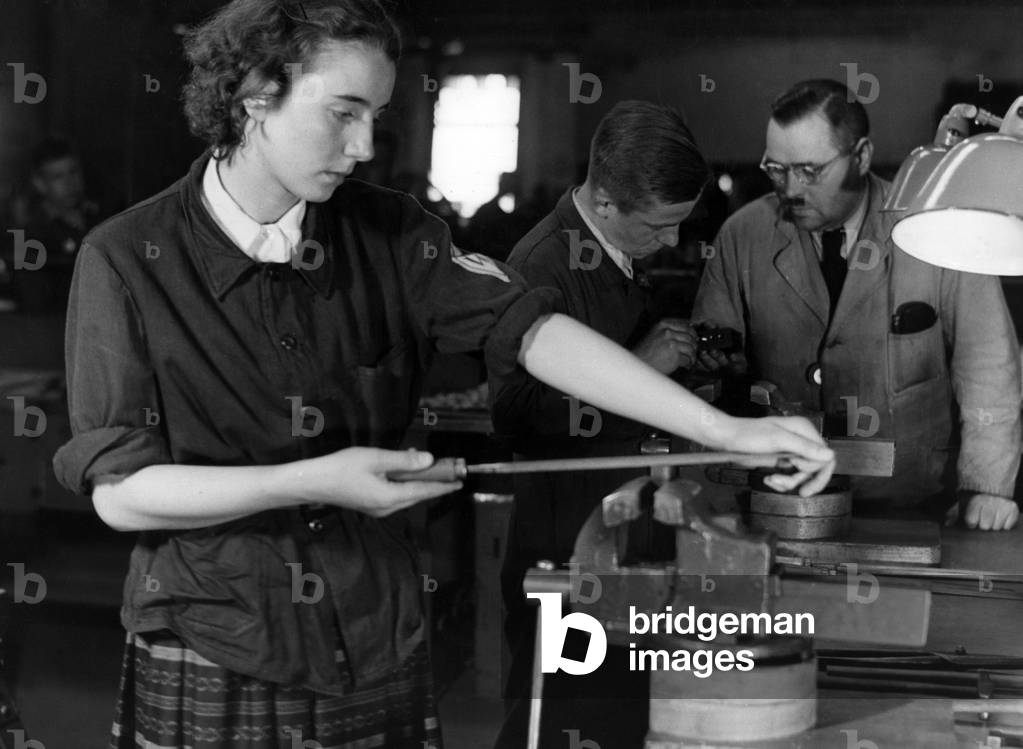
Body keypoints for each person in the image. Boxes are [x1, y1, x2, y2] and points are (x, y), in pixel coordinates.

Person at [53, 3, 834, 746]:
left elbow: (531, 330)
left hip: (375, 631)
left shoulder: (390, 232)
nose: (364, 145)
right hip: (216, 637)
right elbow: (122, 494)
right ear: (258, 94)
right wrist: (313, 479)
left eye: (377, 116)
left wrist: (725, 429)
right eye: (342, 111)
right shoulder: (125, 257)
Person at [692, 78, 1021, 531]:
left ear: (862, 156)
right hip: (779, 505)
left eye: (809, 171)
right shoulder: (742, 235)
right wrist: (722, 366)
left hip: (912, 505)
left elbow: (988, 366)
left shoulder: (938, 227)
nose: (790, 188)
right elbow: (704, 370)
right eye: (778, 169)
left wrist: (987, 486)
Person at [490, 100, 713, 747]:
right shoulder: (542, 263)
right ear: (607, 202)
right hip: (561, 546)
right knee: (555, 718)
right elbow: (513, 413)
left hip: (613, 540)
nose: (671, 242)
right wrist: (639, 365)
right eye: (659, 226)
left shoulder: (609, 250)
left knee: (615, 716)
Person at [7, 137, 102, 313]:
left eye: (73, 172)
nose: (69, 183)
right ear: (40, 183)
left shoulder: (101, 220)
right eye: (57, 176)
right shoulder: (29, 237)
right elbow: (34, 299)